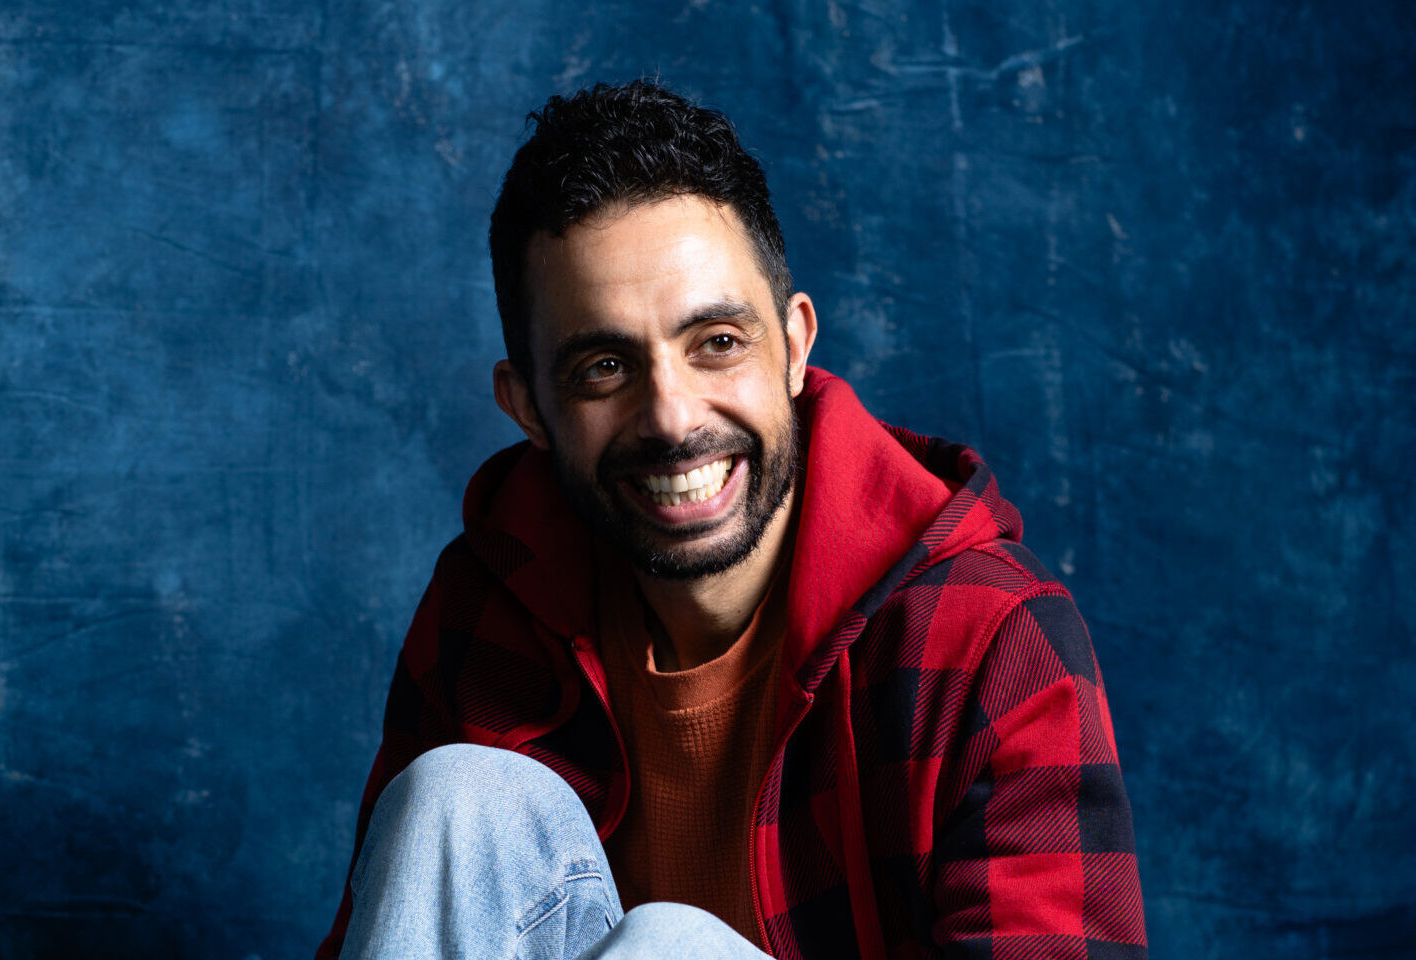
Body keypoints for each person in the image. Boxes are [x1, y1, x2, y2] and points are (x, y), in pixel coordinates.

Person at [317, 79, 1146, 960]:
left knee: (666, 947)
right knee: (455, 796)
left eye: (716, 343)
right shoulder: (488, 601)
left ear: (793, 345)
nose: (671, 418)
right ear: (526, 407)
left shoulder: (991, 638)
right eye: (604, 367)